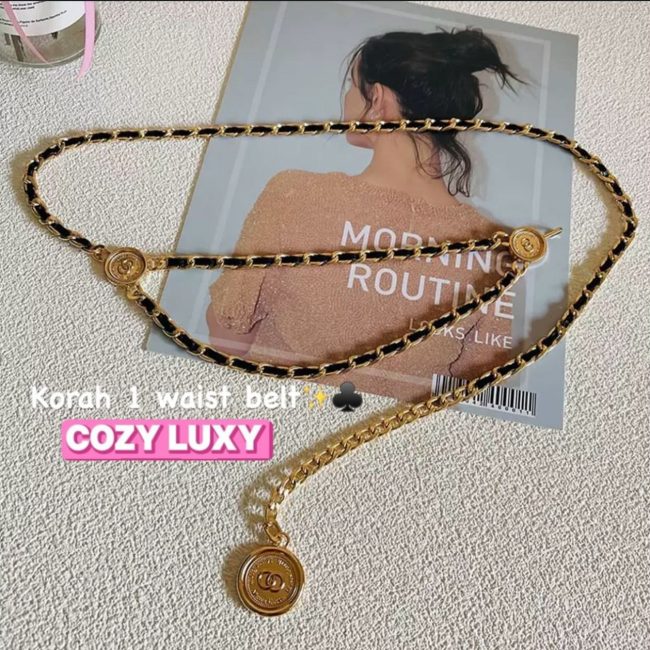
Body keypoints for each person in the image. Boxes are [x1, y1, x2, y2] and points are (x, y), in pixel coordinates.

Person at [206, 27, 527, 404]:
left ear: (378, 99)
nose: (345, 97)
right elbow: (480, 389)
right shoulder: (497, 248)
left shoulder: (294, 195)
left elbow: (229, 339)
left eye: (352, 86)